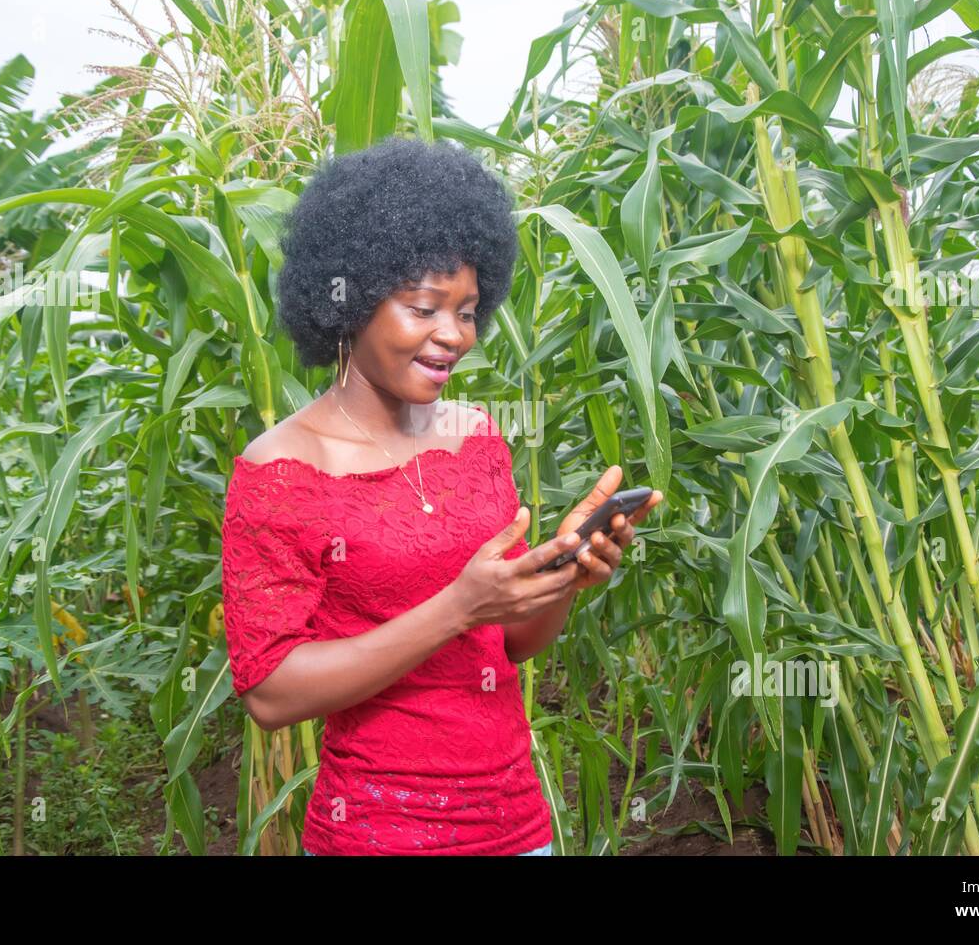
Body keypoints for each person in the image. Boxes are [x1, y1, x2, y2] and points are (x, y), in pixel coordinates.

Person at [220, 136, 663, 855]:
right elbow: (271, 694)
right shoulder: (281, 471)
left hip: (517, 828)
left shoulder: (478, 439)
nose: (453, 336)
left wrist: (564, 576)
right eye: (424, 308)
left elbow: (511, 642)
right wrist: (459, 605)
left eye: (467, 311)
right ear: (353, 298)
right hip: (375, 834)